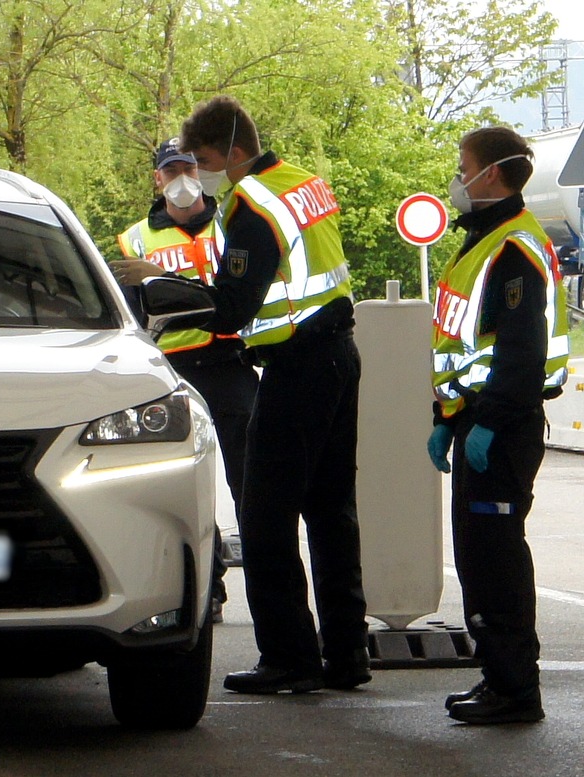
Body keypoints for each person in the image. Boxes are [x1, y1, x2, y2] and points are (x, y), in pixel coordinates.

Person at [178, 95, 370, 693]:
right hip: (339, 354)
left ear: (234, 151)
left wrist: (167, 296)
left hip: (297, 367)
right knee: (332, 513)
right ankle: (346, 654)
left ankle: (288, 657)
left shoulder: (250, 204)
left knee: (264, 513)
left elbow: (233, 306)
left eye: (206, 159)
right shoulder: (302, 183)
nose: (202, 172)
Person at [428, 126, 569, 725]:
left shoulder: (513, 247)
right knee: (479, 555)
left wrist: (487, 422)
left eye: (465, 167)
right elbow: (467, 344)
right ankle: (498, 679)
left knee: (496, 559)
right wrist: (445, 417)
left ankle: (515, 688)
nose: (458, 179)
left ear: (494, 173)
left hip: (500, 430)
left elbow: (520, 349)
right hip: (476, 423)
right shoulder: (483, 240)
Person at [110, 138, 258, 625]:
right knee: (184, 486)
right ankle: (206, 587)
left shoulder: (233, 222)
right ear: (157, 179)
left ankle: (264, 579)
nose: (181, 179)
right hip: (170, 371)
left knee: (251, 479)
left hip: (229, 361)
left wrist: (162, 277)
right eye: (171, 171)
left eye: (189, 167)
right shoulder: (134, 239)